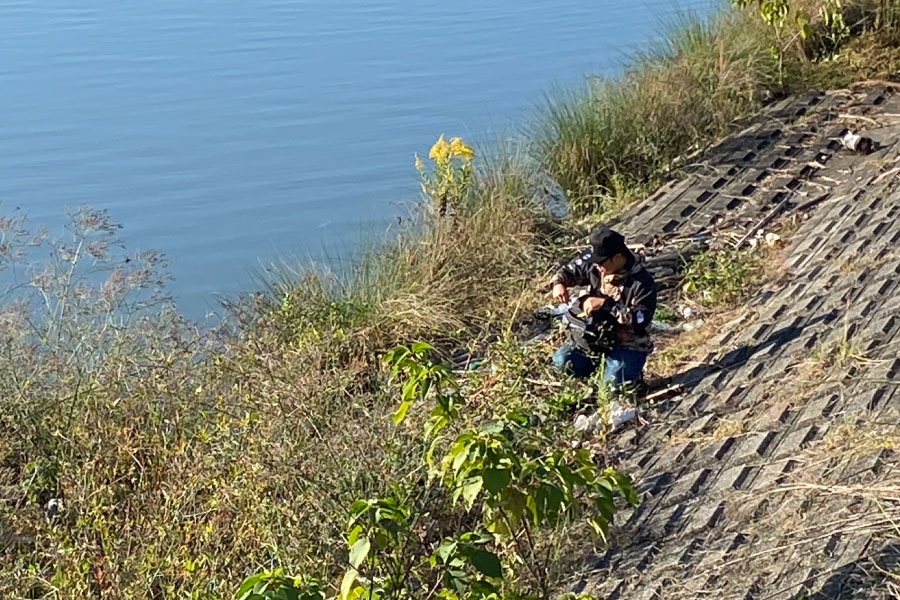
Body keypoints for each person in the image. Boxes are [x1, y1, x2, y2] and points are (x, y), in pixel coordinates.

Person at [550, 226, 657, 426]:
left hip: (628, 345)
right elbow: (568, 271)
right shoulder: (596, 264)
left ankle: (627, 376)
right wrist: (559, 283)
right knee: (561, 362)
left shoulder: (642, 283)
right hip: (594, 339)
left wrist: (606, 305)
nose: (597, 267)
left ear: (618, 258)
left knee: (610, 388)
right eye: (595, 262)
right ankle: (598, 369)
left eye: (602, 263)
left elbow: (640, 319)